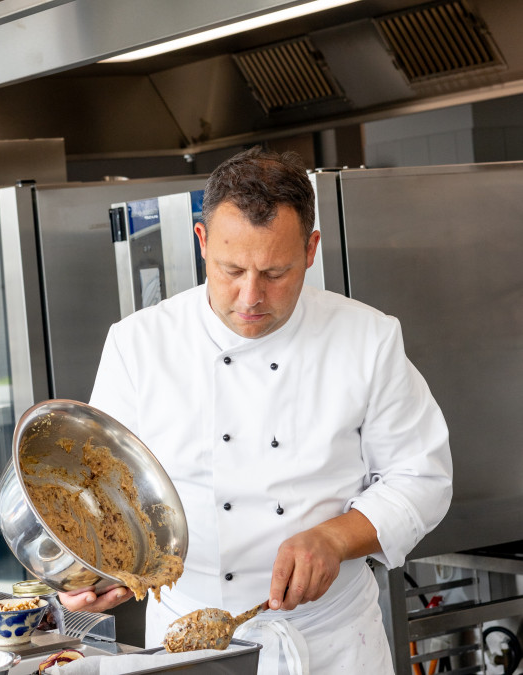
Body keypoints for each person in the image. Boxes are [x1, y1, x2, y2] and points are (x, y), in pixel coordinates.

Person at [59, 147, 453, 674]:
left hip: (329, 644)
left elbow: (421, 476)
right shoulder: (139, 344)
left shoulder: (367, 338)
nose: (250, 296)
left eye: (275, 272)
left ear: (311, 250)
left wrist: (336, 538)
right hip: (188, 642)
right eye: (231, 269)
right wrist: (92, 572)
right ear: (202, 242)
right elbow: (102, 493)